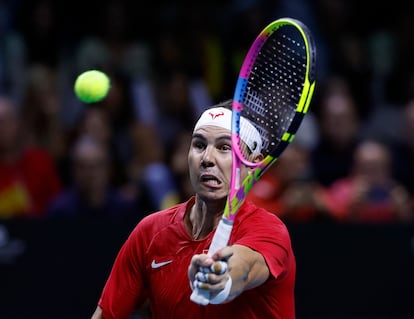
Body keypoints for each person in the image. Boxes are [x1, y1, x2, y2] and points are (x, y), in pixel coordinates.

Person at [91, 100, 296, 319]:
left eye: (224, 147)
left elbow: (243, 267)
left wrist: (220, 279)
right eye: (199, 145)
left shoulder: (269, 230)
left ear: (252, 164)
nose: (207, 158)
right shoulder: (150, 232)